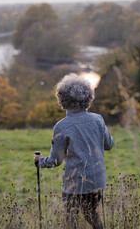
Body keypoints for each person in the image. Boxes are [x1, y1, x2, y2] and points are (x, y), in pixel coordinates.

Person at [33, 73, 114, 229]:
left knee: (71, 219)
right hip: (97, 180)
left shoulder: (62, 126)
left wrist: (39, 161)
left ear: (62, 99)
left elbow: (55, 161)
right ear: (88, 97)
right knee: (91, 213)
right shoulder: (98, 119)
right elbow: (109, 145)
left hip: (75, 184)